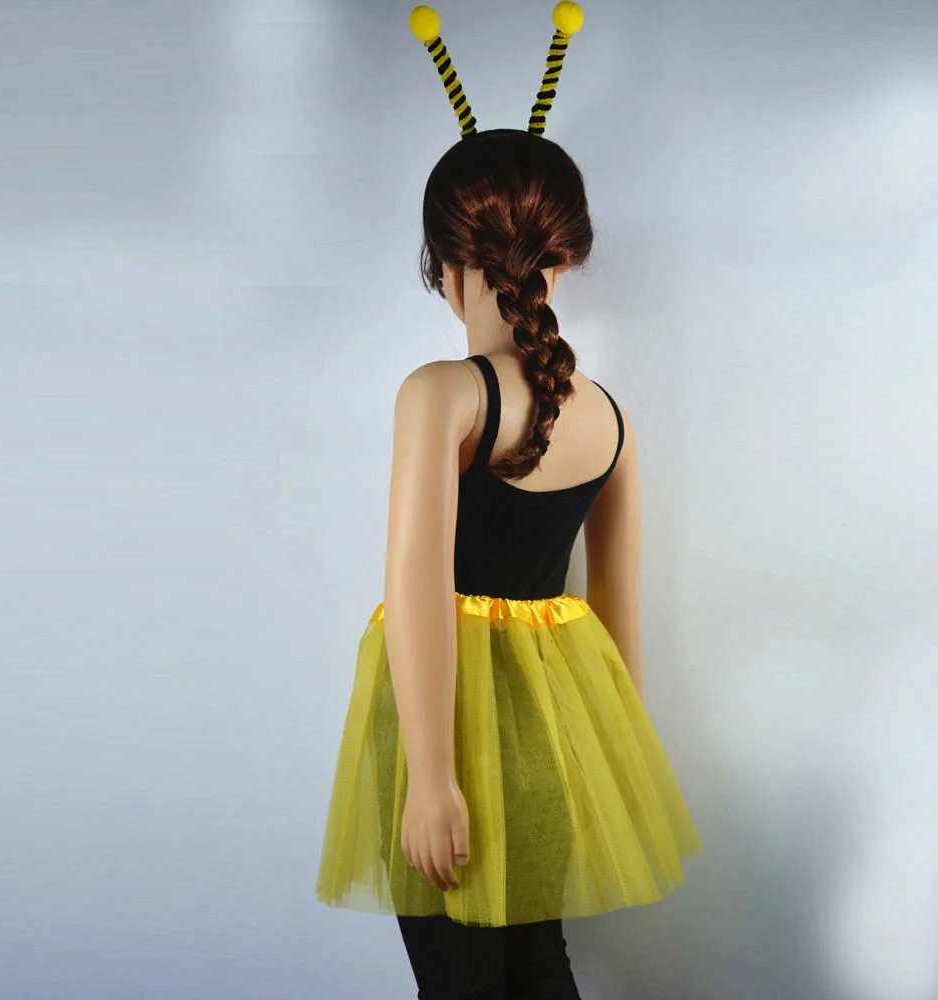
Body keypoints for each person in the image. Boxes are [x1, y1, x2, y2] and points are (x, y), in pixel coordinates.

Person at [316, 6, 703, 998]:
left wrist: (431, 776)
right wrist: (617, 759)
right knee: (537, 965)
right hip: (552, 739)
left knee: (460, 979)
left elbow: (417, 591)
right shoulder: (609, 418)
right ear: (562, 259)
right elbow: (615, 614)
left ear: (445, 265)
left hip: (440, 731)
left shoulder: (440, 395)